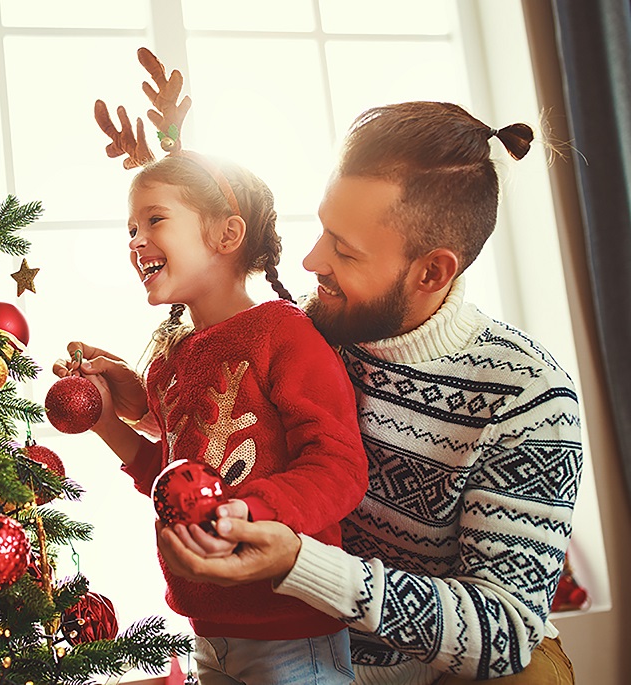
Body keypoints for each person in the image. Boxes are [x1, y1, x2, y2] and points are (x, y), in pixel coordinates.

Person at [150, 101, 581, 684]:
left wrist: (304, 566)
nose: (310, 260)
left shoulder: (527, 396)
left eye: (344, 250)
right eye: (323, 228)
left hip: (417, 666)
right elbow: (227, 433)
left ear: (432, 272)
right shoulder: (303, 333)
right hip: (276, 645)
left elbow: (503, 629)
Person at [54, 149, 369, 684]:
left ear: (227, 235)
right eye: (131, 227)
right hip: (210, 632)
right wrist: (106, 419)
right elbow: (169, 475)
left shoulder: (282, 335)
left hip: (293, 636)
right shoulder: (170, 363)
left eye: (155, 219)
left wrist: (245, 514)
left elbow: (339, 467)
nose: (135, 240)